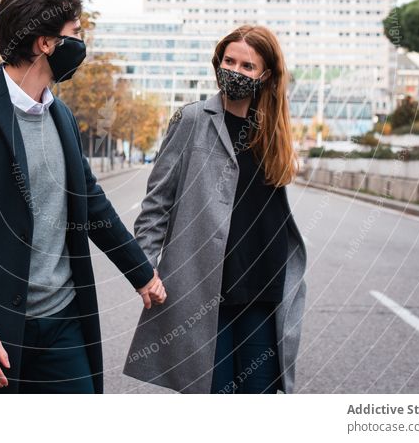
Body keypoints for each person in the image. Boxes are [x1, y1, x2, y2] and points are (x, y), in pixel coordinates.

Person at [0, 0, 166, 394]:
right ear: (46, 43)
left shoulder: (61, 116)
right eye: (76, 32)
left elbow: (92, 205)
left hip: (63, 324)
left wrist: (141, 273)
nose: (82, 43)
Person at [122, 25, 308, 394]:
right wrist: (145, 267)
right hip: (206, 291)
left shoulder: (272, 130)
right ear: (218, 63)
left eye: (247, 66)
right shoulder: (191, 119)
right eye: (229, 61)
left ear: (265, 75)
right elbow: (157, 202)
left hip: (264, 290)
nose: (235, 72)